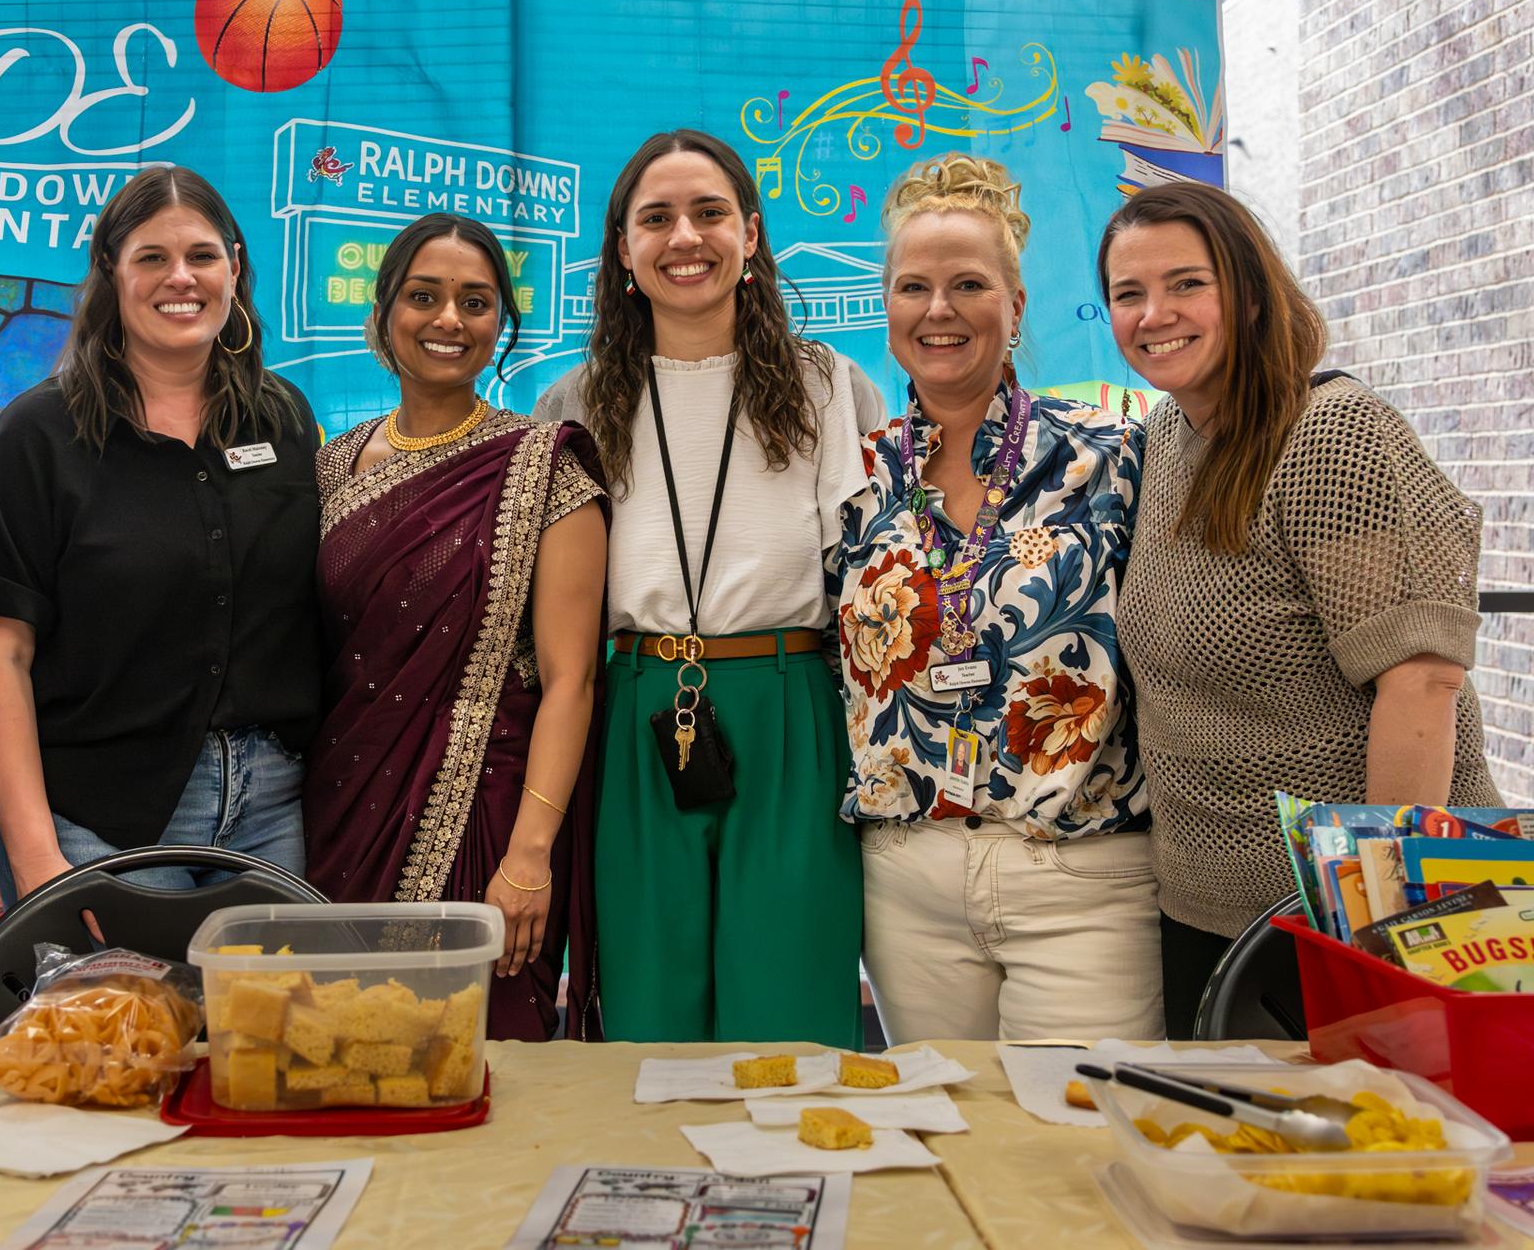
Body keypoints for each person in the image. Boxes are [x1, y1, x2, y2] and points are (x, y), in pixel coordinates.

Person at [1099, 181, 1501, 1036]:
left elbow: (1422, 677)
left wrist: (1377, 918)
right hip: (1209, 909)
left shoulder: (1332, 433)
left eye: (1185, 284)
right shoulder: (1168, 438)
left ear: (1247, 294)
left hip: (1354, 916)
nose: (1155, 313)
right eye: (1128, 294)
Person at [535, 129, 883, 1047]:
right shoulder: (574, 402)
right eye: (656, 218)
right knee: (649, 1010)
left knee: (792, 1002)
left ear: (752, 233)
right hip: (644, 702)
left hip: (789, 699)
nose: (684, 236)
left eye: (709, 213)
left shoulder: (829, 385)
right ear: (622, 250)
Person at [831, 154, 1159, 1043]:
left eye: (968, 284)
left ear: (1015, 307)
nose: (939, 310)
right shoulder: (851, 480)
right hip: (908, 880)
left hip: (1081, 875)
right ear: (889, 310)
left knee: (1075, 1150)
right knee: (950, 1141)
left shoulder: (1114, 458)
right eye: (914, 287)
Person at [0, 166, 320, 903]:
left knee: (259, 1024)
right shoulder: (40, 434)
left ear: (235, 266)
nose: (180, 278)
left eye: (202, 255)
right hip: (97, 819)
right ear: (111, 273)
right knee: (118, 1023)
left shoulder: (284, 420)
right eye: (151, 257)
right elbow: (0, 653)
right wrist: (36, 860)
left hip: (272, 814)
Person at [308, 214, 608, 1041]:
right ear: (384, 310)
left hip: (488, 825)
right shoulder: (333, 465)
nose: (449, 320)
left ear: (500, 324)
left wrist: (530, 854)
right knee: (333, 1056)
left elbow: (570, 680)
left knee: (483, 1068)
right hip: (342, 812)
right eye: (424, 297)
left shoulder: (546, 464)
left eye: (475, 302)